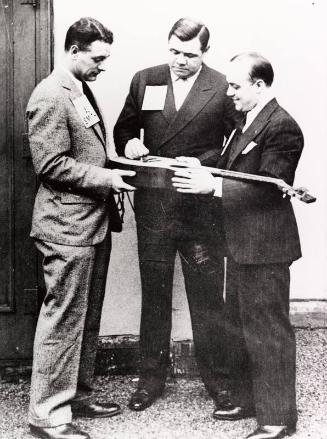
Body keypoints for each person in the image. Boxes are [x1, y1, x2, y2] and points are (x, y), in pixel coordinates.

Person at [172, 52, 303, 439]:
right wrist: (199, 164)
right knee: (244, 326)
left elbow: (268, 185)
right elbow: (233, 162)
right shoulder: (250, 120)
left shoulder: (282, 127)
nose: (228, 93)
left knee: (268, 330)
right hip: (242, 244)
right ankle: (252, 401)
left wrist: (211, 186)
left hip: (265, 247)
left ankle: (278, 418)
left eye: (235, 86)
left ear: (259, 86)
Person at [114, 17, 238, 412]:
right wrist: (131, 142)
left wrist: (201, 162)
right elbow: (123, 129)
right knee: (154, 296)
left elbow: (236, 147)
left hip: (200, 207)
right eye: (174, 51)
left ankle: (219, 383)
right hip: (154, 206)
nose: (179, 61)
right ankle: (150, 380)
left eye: (189, 54)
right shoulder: (144, 78)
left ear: (205, 54)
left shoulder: (222, 85)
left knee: (206, 299)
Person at [26, 17, 135, 439]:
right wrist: (107, 178)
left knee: (85, 318)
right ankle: (48, 417)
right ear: (74, 51)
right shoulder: (51, 95)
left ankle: (75, 395)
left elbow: (90, 151)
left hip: (91, 223)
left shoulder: (80, 88)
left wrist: (123, 164)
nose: (102, 66)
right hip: (66, 228)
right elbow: (50, 164)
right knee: (63, 319)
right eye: (97, 58)